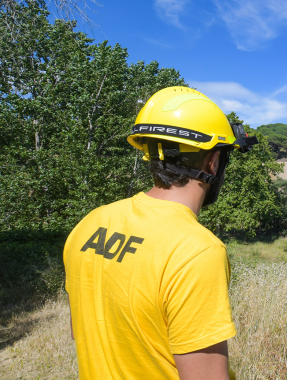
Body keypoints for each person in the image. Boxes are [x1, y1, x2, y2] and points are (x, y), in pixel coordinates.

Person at [64, 86, 257, 379]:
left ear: (149, 153)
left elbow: (82, 332)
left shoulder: (91, 223)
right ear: (214, 161)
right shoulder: (197, 251)